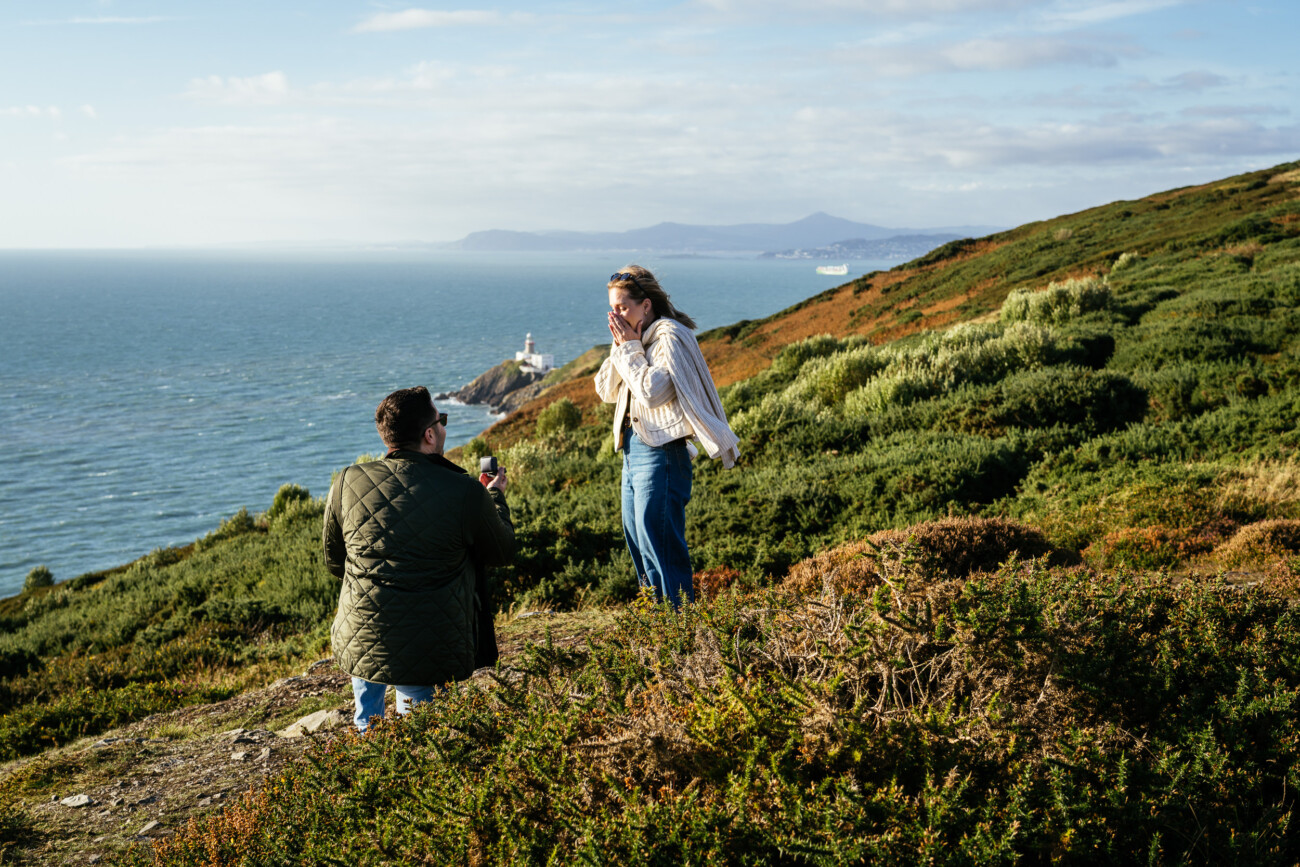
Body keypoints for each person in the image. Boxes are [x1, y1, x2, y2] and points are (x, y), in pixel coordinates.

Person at [324, 386, 514, 732]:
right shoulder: (465, 489)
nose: (443, 426)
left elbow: (335, 561)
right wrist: (495, 498)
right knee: (420, 739)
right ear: (429, 434)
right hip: (427, 641)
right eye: (440, 420)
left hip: (362, 631)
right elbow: (501, 551)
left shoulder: (346, 480)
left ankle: (369, 759)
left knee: (369, 727)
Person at [594, 265, 740, 609]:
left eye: (622, 307)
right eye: (612, 307)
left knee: (660, 543)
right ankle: (656, 623)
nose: (615, 314)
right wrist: (624, 345)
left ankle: (679, 627)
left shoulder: (668, 336)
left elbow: (652, 392)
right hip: (632, 449)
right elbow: (604, 390)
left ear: (646, 305)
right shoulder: (634, 339)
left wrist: (630, 348)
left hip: (661, 451)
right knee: (639, 541)